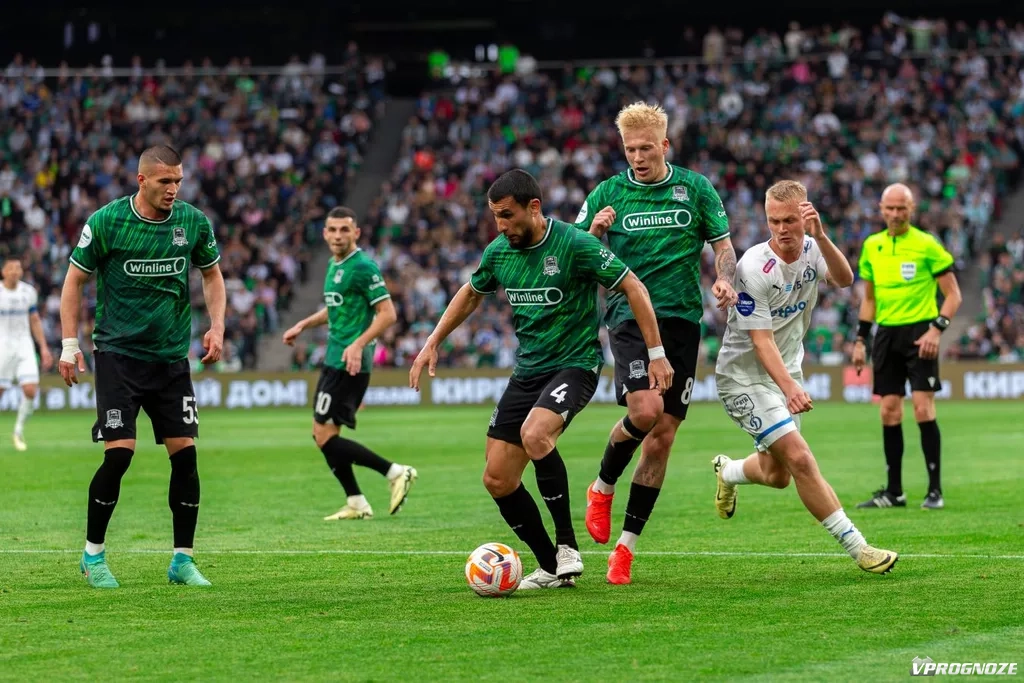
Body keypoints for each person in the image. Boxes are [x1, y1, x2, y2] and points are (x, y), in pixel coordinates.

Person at [410, 169, 672, 589]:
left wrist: (656, 354)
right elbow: (471, 292)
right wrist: (432, 341)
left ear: (534, 207)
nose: (501, 225)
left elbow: (634, 287)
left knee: (535, 434)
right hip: (528, 370)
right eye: (495, 216)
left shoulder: (574, 244)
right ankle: (551, 566)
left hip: (575, 364)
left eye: (507, 215)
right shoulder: (499, 252)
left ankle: (567, 546)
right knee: (497, 478)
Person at [574, 101, 738, 584]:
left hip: (682, 321)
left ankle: (625, 549)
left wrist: (724, 278)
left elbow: (724, 247)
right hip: (628, 316)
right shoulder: (607, 193)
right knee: (645, 412)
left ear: (665, 144)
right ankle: (602, 487)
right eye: (630, 149)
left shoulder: (696, 189)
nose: (638, 157)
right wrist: (594, 233)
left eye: (646, 148)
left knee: (662, 437)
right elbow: (576, 257)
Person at [59, 145, 226, 589]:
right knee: (119, 455)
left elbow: (212, 274)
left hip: (170, 359)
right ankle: (93, 556)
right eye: (165, 181)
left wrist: (217, 326)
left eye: (178, 181)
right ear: (142, 180)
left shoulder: (192, 222)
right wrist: (69, 345)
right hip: (118, 357)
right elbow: (74, 280)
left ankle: (182, 560)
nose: (173, 189)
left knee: (186, 458)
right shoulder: (107, 222)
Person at [712, 180, 898, 575]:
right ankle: (860, 548)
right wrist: (791, 387)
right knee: (799, 457)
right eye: (773, 221)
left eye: (789, 220)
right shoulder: (753, 267)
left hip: (785, 370)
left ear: (806, 215)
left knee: (778, 475)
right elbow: (761, 341)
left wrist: (823, 237)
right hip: (743, 377)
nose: (781, 229)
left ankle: (727, 471)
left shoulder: (813, 248)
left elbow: (845, 279)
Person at [283, 206, 417, 521]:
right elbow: (335, 309)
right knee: (324, 434)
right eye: (332, 229)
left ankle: (395, 472)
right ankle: (356, 502)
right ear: (325, 233)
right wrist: (303, 324)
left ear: (356, 232)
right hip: (335, 359)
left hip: (349, 363)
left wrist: (357, 344)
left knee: (323, 435)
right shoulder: (334, 265)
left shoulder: (363, 267)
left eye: (345, 229)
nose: (338, 235)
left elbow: (388, 314)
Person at [852, 183, 962, 510]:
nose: (896, 214)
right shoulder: (872, 246)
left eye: (902, 208)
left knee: (923, 408)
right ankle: (894, 492)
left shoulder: (927, 244)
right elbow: (869, 300)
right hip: (886, 334)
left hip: (920, 334)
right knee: (888, 410)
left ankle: (934, 491)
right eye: (890, 208)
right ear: (881, 209)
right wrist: (860, 340)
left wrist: (936, 330)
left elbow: (954, 295)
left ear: (911, 209)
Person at [0, 256, 53, 451]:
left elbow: (35, 320)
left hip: (24, 345)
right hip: (3, 346)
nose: (15, 271)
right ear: (4, 271)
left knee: (30, 390)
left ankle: (18, 431)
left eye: (18, 268)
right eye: (11, 268)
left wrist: (44, 348)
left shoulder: (28, 292)